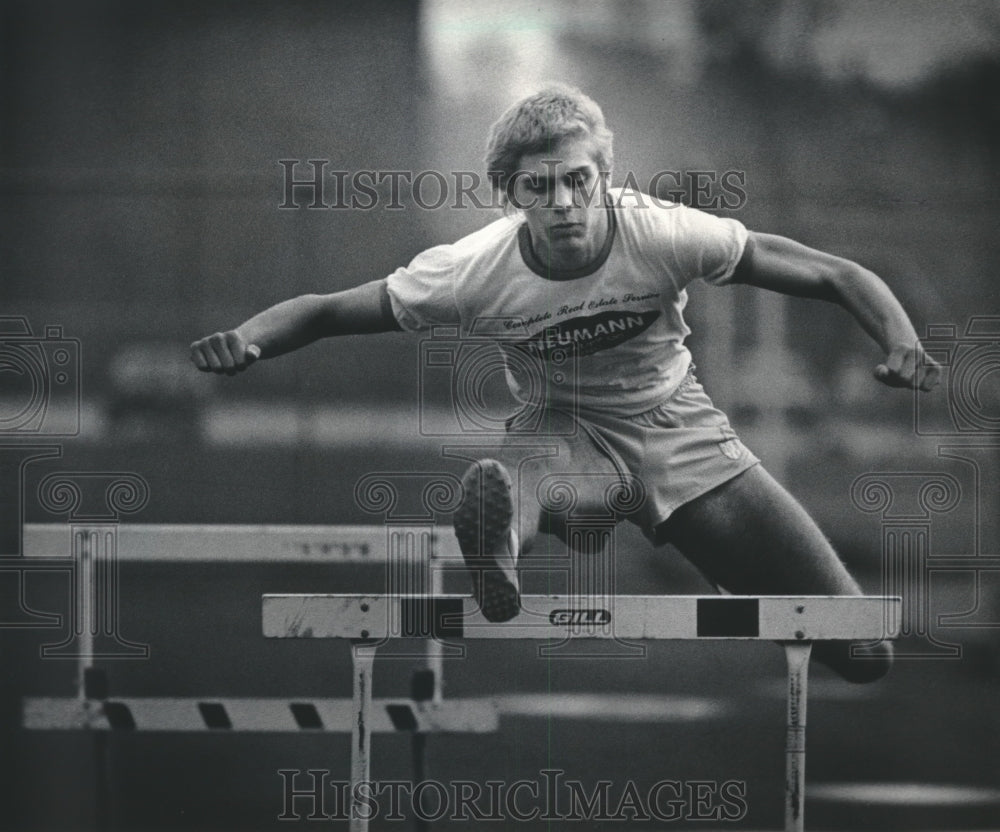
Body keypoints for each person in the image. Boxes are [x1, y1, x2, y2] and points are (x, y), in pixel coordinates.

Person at [191, 84, 940, 683]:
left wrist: (901, 338)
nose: (563, 205)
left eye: (578, 181)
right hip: (566, 437)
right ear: (509, 196)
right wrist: (249, 339)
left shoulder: (663, 231)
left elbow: (833, 272)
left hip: (686, 434)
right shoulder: (473, 270)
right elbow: (327, 311)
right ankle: (500, 543)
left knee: (863, 652)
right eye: (539, 188)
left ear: (605, 177)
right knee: (527, 470)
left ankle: (660, 548)